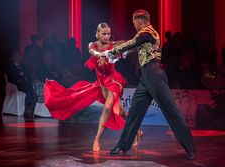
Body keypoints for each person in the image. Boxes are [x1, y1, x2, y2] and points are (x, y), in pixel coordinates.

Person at [105, 9, 196, 160]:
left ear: (139, 20)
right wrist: (113, 45)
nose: (133, 25)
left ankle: (190, 148)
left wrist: (112, 52)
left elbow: (132, 42)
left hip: (154, 75)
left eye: (134, 22)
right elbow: (132, 45)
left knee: (171, 112)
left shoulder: (147, 32)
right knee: (134, 112)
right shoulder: (143, 36)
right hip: (145, 78)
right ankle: (123, 144)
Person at [44, 22, 142, 152]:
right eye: (104, 34)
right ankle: (138, 131)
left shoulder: (113, 45)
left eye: (108, 34)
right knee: (121, 112)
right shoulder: (92, 45)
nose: (107, 36)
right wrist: (100, 55)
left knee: (107, 108)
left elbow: (129, 42)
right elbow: (93, 51)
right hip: (101, 84)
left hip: (114, 81)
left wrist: (138, 39)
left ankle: (97, 139)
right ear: (97, 34)